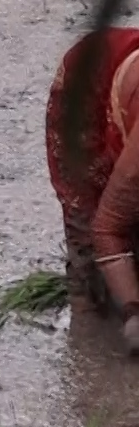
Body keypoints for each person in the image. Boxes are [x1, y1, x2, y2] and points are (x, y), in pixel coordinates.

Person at [45, 26, 139, 349]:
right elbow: (106, 228)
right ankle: (87, 334)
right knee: (88, 234)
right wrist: (133, 313)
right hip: (86, 95)